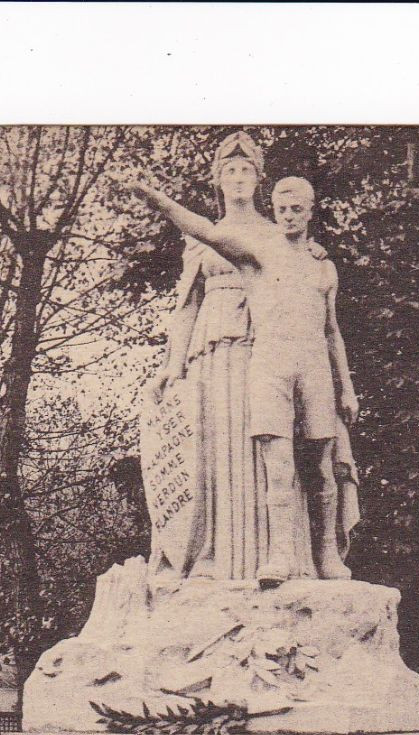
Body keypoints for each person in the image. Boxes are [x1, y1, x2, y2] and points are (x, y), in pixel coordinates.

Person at [129, 167, 359, 586]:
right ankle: (279, 556)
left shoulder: (324, 267)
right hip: (270, 361)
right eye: (282, 209)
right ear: (274, 210)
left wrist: (348, 387)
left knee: (322, 464)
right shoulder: (257, 252)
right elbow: (204, 230)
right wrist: (155, 199)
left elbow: (332, 331)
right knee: (277, 463)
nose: (289, 216)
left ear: (310, 212)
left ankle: (326, 555)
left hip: (314, 368)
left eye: (297, 210)